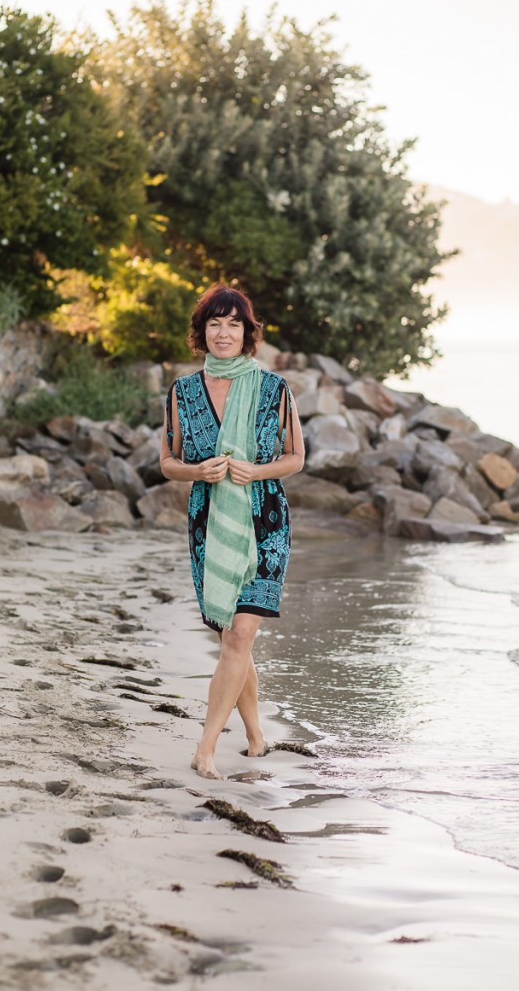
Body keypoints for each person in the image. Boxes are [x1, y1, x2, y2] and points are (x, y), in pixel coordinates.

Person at [159, 283, 304, 779]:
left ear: (248, 333)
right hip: (208, 520)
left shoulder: (274, 389)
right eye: (214, 324)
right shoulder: (183, 391)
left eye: (233, 324)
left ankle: (205, 749)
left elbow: (296, 458)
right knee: (232, 640)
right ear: (202, 332)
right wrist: (198, 472)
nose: (224, 333)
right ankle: (258, 737)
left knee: (241, 634)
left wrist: (257, 472)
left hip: (264, 522)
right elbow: (167, 462)